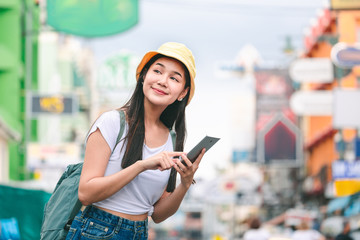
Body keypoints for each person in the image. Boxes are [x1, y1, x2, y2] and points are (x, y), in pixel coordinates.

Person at [65, 42, 204, 240]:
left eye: (174, 78)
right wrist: (141, 165)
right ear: (143, 76)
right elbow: (86, 193)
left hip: (139, 232)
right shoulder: (112, 122)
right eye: (157, 71)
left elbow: (158, 214)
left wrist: (185, 183)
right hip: (97, 229)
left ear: (182, 93)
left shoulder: (171, 140)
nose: (163, 81)